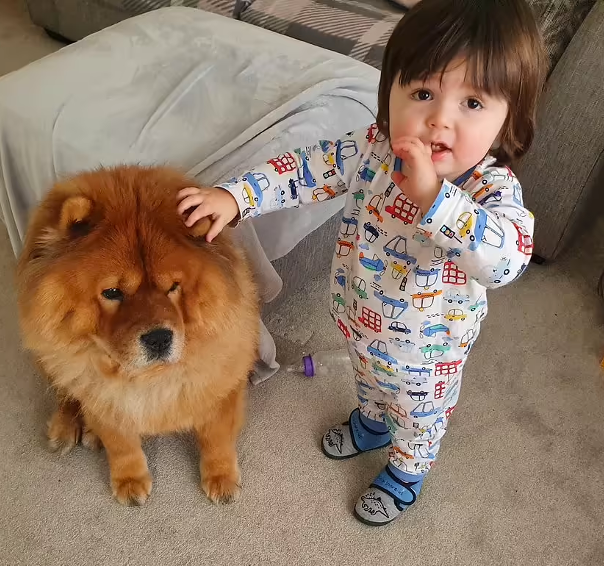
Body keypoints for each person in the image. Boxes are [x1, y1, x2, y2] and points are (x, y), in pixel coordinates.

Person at [177, 0, 547, 526]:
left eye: (472, 103)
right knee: (368, 384)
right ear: (389, 94)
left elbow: (507, 259)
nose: (439, 118)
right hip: (357, 318)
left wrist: (435, 200)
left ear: (509, 116)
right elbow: (304, 169)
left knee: (419, 420)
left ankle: (405, 469)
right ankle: (371, 424)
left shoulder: (491, 191)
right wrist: (237, 196)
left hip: (428, 357)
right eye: (422, 93)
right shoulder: (374, 149)